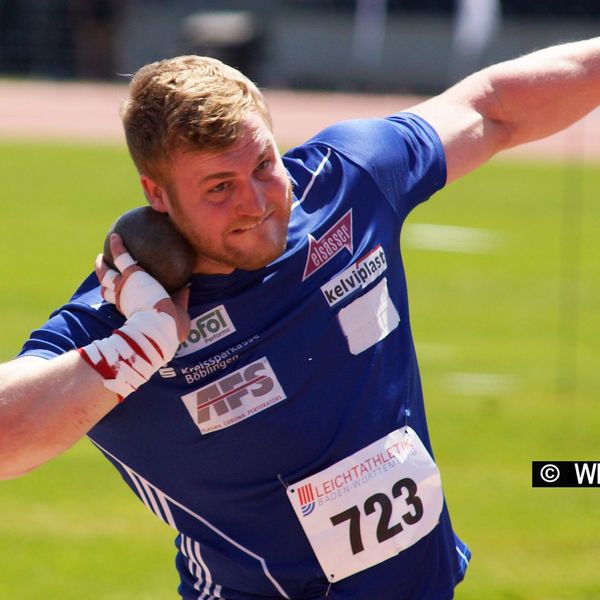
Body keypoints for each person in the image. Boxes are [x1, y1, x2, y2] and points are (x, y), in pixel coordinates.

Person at [1, 38, 598, 599]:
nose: (257, 204)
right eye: (218, 187)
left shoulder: (348, 185)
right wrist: (142, 346)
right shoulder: (125, 314)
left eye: (263, 165)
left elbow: (492, 110)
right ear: (156, 194)